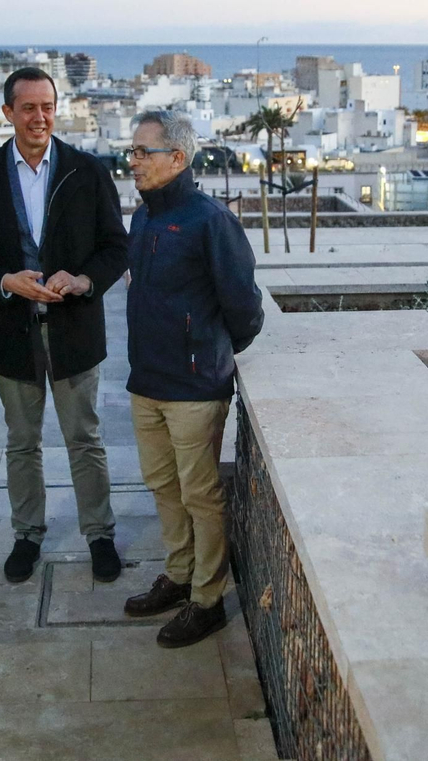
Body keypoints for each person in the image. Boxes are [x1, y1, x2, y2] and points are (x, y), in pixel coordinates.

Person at [0, 67, 129, 585]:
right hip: (12, 333)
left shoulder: (86, 171)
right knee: (22, 442)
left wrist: (83, 279)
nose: (39, 116)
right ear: (7, 113)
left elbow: (117, 247)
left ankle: (99, 534)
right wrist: (6, 280)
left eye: (47, 106)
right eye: (28, 107)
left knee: (85, 438)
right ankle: (27, 534)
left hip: (74, 332)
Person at [121, 110, 263, 649]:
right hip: (146, 382)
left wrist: (209, 353)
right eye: (131, 152)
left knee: (201, 496)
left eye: (142, 152)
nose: (132, 161)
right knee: (163, 487)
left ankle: (207, 601)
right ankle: (178, 576)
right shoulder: (143, 219)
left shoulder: (210, 221)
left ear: (177, 159)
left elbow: (244, 307)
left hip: (194, 388)